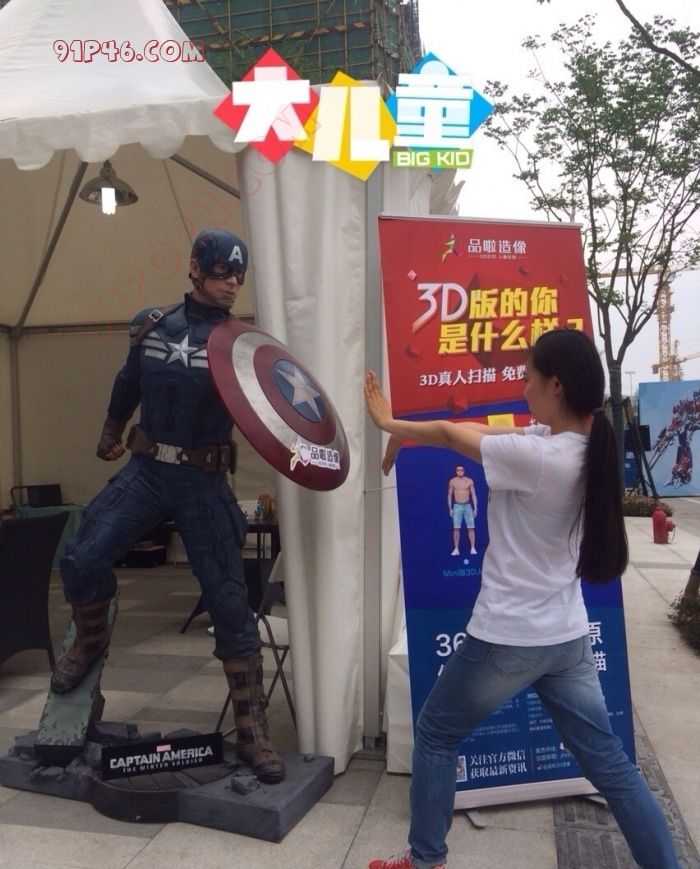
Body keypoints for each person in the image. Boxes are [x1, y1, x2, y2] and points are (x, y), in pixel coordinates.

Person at [364, 328, 680, 869]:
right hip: (566, 636)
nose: (522, 385)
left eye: (529, 376)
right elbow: (482, 431)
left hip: (509, 635)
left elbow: (452, 433)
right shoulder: (582, 446)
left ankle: (425, 860)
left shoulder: (540, 458)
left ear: (556, 385)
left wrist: (390, 424)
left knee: (436, 732)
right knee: (611, 766)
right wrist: (410, 434)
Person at [51, 228, 285, 784]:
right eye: (223, 271)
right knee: (81, 557)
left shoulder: (242, 344)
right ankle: (90, 641)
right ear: (196, 268)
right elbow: (127, 383)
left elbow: (272, 409)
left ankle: (251, 730)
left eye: (239, 275)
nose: (232, 283)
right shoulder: (151, 324)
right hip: (147, 469)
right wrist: (110, 432)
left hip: (203, 482)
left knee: (229, 603)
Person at [446, 465, 477, 556]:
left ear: (464, 471)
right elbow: (449, 495)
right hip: (457, 506)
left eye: (461, 470)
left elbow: (473, 495)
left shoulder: (469, 481)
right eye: (458, 470)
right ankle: (456, 548)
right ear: (456, 471)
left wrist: (475, 508)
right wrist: (450, 508)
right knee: (456, 528)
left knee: (471, 527)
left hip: (467, 506)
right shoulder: (452, 481)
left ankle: (473, 547)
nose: (460, 471)